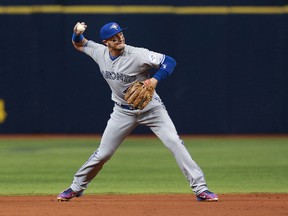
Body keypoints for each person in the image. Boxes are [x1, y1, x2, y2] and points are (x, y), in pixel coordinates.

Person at [57, 21, 218, 202]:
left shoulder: (138, 54)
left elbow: (169, 61)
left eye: (120, 34)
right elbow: (79, 43)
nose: (119, 38)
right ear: (106, 43)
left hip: (151, 108)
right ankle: (76, 188)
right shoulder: (99, 52)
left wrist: (154, 80)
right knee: (103, 153)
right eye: (113, 37)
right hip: (122, 112)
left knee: (175, 142)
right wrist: (77, 32)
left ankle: (201, 189)